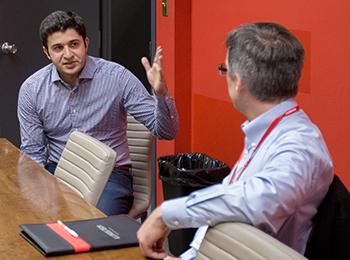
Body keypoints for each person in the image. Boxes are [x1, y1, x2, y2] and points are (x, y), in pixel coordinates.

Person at [137, 22, 334, 259]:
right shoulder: (268, 130)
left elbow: (262, 199)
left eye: (224, 69)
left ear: (238, 82)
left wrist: (166, 213)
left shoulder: (300, 145)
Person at [17, 10, 178, 216]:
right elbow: (33, 152)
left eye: (74, 44)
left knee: (95, 229)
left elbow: (167, 132)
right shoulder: (32, 89)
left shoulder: (117, 78)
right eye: (58, 48)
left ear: (86, 43)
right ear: (47, 53)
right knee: (32, 223)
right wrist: (34, 195)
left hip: (111, 176)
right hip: (59, 170)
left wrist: (161, 93)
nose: (67, 55)